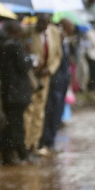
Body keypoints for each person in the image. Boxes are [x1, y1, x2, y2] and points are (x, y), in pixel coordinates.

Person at [0, 20, 33, 165]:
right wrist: (28, 56)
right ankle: (18, 154)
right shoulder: (15, 46)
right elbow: (23, 66)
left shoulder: (1, 45)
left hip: (7, 91)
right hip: (17, 92)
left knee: (11, 124)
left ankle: (10, 154)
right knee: (15, 125)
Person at [23, 13, 62, 154]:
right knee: (29, 110)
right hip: (32, 76)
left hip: (45, 76)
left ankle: (35, 143)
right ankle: (26, 144)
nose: (41, 25)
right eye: (39, 22)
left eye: (44, 22)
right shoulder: (27, 31)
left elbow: (58, 55)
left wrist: (50, 69)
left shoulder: (54, 32)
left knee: (40, 110)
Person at [39, 19, 75, 153]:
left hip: (63, 82)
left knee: (57, 113)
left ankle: (51, 142)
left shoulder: (65, 41)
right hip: (54, 82)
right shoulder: (56, 39)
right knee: (50, 112)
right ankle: (46, 142)